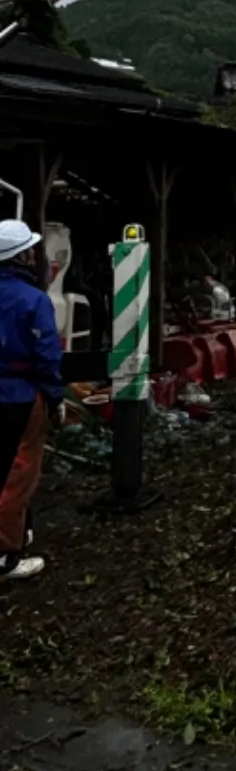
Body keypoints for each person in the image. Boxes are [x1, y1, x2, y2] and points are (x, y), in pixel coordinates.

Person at [0, 219, 64, 583]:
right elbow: (47, 355)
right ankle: (6, 556)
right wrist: (55, 396)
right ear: (22, 255)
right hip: (20, 395)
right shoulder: (33, 300)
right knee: (18, 472)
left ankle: (18, 530)